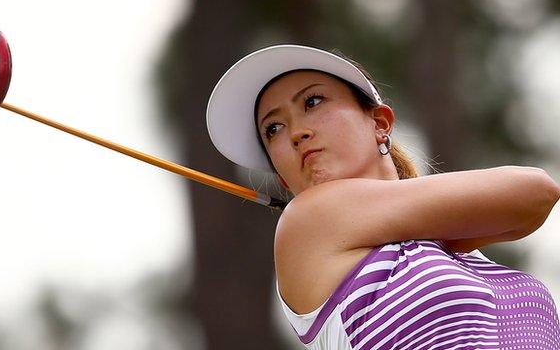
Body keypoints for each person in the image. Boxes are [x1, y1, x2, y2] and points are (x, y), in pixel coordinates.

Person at [206, 44, 560, 349]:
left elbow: (533, 200)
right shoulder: (306, 222)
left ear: (380, 123)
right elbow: (533, 192)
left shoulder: (447, 249)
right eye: (274, 129)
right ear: (282, 177)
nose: (297, 132)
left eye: (313, 102)